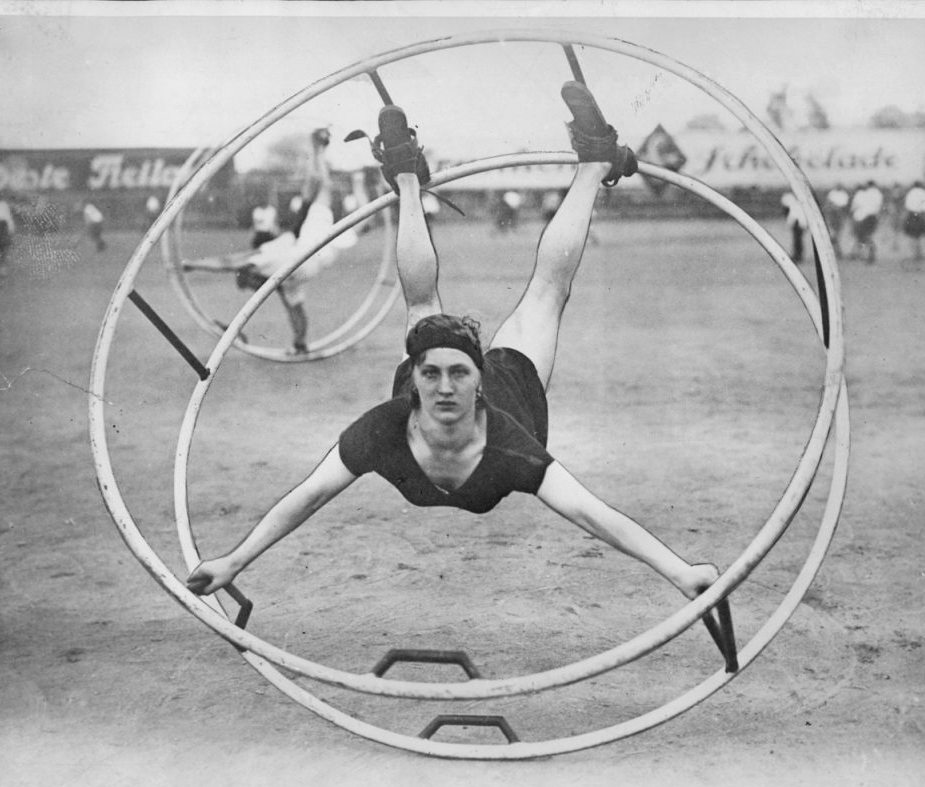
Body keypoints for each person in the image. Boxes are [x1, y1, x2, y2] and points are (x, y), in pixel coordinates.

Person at [186, 83, 720, 611]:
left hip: (514, 393)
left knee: (546, 293)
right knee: (422, 305)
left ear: (478, 379)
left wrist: (681, 572)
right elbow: (310, 495)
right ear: (415, 378)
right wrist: (234, 562)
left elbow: (589, 512)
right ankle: (406, 175)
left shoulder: (510, 445)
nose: (444, 388)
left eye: (459, 374)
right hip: (436, 391)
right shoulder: (383, 427)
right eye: (431, 374)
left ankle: (591, 163)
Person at [182, 129, 368, 354]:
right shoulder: (279, 252)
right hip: (309, 255)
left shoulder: (274, 256)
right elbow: (230, 263)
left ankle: (299, 344)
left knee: (289, 299)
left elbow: (229, 262)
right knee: (327, 195)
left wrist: (191, 264)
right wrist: (191, 264)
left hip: (306, 257)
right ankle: (298, 344)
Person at [849, 180, 883, 264]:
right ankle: (866, 254)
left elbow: (855, 206)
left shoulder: (863, 194)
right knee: (867, 236)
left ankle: (868, 253)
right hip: (873, 217)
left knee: (863, 236)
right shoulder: (878, 193)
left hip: (863, 218)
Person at [901, 180, 925, 261]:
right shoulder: (924, 193)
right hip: (921, 215)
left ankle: (915, 253)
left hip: (912, 215)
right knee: (921, 235)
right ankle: (921, 253)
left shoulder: (910, 193)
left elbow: (907, 205)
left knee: (913, 235)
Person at [780, 191, 808, 264]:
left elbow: (792, 216)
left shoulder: (795, 205)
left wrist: (788, 224)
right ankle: (798, 255)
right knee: (798, 240)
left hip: (798, 224)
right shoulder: (798, 204)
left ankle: (798, 256)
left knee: (797, 241)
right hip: (800, 224)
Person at [824, 183, 850, 257]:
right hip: (832, 215)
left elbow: (844, 205)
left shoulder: (844, 194)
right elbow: (828, 203)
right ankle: (837, 251)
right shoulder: (832, 193)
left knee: (837, 234)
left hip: (839, 215)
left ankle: (837, 251)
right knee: (833, 233)